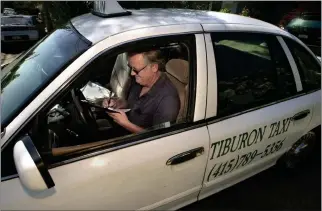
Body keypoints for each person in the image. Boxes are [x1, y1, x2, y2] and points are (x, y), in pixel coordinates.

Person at [102, 50, 180, 133]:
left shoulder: (168, 100)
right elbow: (131, 103)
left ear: (154, 67)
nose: (132, 73)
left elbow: (160, 138)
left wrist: (126, 124)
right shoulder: (140, 80)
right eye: (131, 68)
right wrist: (117, 103)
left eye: (136, 70)